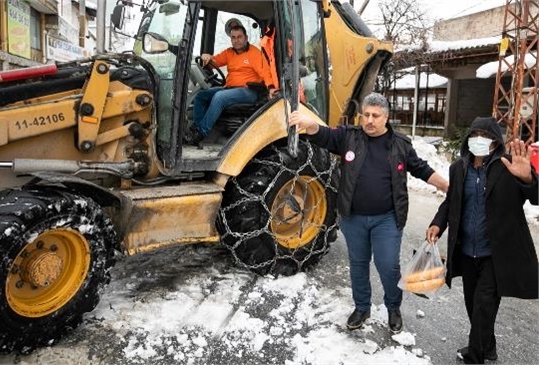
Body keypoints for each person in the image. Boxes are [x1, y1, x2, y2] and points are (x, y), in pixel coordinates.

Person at [289, 92, 449, 333]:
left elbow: (422, 170)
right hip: (353, 218)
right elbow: (324, 135)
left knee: (388, 266)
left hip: (387, 219)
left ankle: (393, 308)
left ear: (386, 117)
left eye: (376, 115)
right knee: (358, 264)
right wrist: (309, 124)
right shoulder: (348, 137)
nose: (370, 120)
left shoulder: (400, 145)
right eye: (366, 115)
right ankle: (362, 307)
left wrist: (447, 186)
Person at [425, 116, 538, 364]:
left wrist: (528, 178)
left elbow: (535, 197)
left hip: (495, 255)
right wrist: (437, 223)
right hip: (466, 252)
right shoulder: (458, 168)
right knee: (472, 305)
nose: (480, 140)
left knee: (483, 307)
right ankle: (488, 347)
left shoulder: (508, 167)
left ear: (496, 142)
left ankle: (475, 356)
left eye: (486, 136)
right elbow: (450, 202)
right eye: (475, 134)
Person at [184, 20, 277, 146]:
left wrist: (271, 88)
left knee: (219, 97)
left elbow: (266, 73)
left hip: (249, 91)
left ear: (246, 38)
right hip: (229, 88)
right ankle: (196, 130)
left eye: (239, 37)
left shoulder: (255, 53)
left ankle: (201, 132)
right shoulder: (229, 53)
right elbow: (213, 62)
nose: (236, 40)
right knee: (201, 95)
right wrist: (207, 57)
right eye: (233, 37)